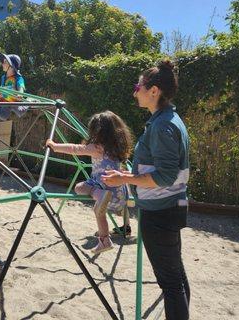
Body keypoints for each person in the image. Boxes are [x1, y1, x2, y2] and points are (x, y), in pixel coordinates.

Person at [102, 59, 190, 320]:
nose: (134, 91)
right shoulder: (167, 120)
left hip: (161, 212)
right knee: (176, 275)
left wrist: (123, 178)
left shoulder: (163, 126)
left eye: (137, 86)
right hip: (171, 207)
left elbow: (164, 176)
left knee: (171, 284)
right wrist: (129, 173)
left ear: (154, 91)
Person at [46, 110, 133, 254]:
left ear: (97, 132)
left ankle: (98, 195)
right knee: (100, 211)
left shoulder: (97, 148)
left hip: (103, 187)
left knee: (80, 187)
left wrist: (54, 146)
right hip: (121, 195)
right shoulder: (118, 149)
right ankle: (110, 236)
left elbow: (75, 148)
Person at [0, 53, 28, 121]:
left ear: (11, 66)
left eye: (5, 62)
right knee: (2, 116)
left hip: (14, 101)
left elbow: (20, 87)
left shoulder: (18, 78)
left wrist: (20, 94)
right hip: (6, 100)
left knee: (20, 111)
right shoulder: (3, 78)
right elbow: (2, 91)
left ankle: (30, 100)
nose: (2, 64)